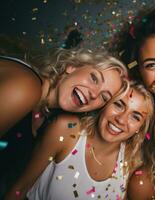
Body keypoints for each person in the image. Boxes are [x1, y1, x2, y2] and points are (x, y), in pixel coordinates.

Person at [0, 49, 128, 197]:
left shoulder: (46, 120)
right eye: (94, 78)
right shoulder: (28, 87)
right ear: (72, 66)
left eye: (104, 97)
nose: (94, 94)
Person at [5, 81, 154, 200]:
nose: (121, 119)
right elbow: (20, 188)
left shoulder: (134, 163)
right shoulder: (67, 129)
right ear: (105, 104)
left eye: (135, 117)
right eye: (118, 104)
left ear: (139, 129)